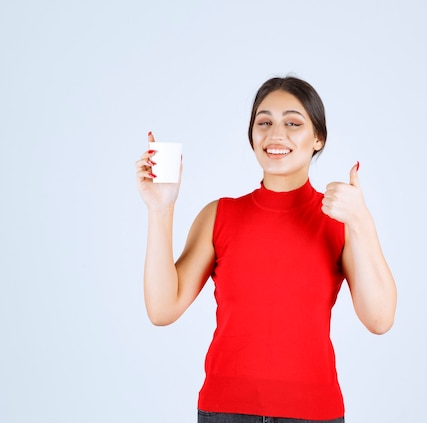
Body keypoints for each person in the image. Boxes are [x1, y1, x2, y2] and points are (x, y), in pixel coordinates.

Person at [135, 76, 397, 422]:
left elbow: (380, 319)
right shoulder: (219, 215)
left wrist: (361, 221)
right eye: (264, 122)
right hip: (225, 412)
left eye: (293, 122)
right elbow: (162, 309)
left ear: (318, 138)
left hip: (313, 413)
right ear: (252, 136)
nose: (276, 134)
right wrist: (160, 208)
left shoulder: (341, 220)